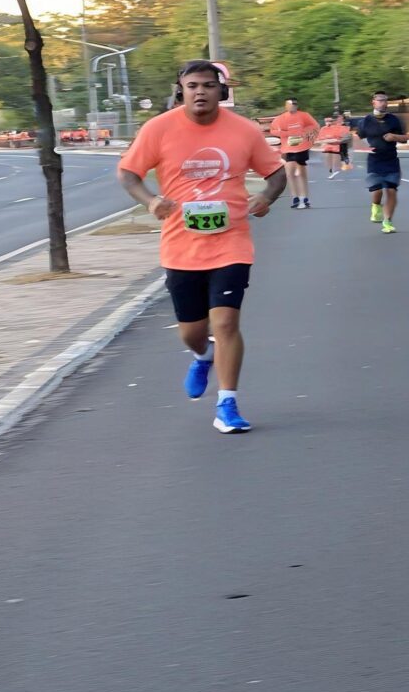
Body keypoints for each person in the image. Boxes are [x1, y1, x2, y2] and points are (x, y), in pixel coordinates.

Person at [114, 60, 287, 434]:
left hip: (231, 241)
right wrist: (150, 201)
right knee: (191, 333)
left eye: (208, 85)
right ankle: (203, 355)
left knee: (225, 322)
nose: (200, 92)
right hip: (181, 245)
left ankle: (227, 404)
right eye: (192, 86)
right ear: (181, 90)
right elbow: (128, 173)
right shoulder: (158, 128)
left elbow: (276, 173)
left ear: (221, 91)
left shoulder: (243, 130)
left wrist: (266, 197)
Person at [354, 91, 407, 234]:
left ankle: (387, 221)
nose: (383, 103)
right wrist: (362, 147)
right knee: (377, 190)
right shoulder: (365, 121)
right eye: (380, 100)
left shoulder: (394, 120)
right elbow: (357, 138)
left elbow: (404, 138)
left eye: (385, 100)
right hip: (374, 160)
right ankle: (376, 205)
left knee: (391, 190)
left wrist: (394, 137)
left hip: (391, 159)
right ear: (373, 102)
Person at [268, 99, 317, 210]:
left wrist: (305, 135)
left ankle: (304, 198)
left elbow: (314, 126)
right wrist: (286, 133)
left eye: (294, 104)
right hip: (288, 147)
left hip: (301, 146)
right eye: (290, 104)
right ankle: (295, 197)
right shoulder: (281, 118)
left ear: (297, 105)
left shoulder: (304, 116)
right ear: (286, 106)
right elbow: (273, 130)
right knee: (290, 173)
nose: (292, 106)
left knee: (300, 172)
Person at [320, 109, 350, 176]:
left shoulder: (339, 126)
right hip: (329, 145)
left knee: (342, 146)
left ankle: (344, 158)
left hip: (338, 144)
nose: (328, 122)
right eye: (326, 121)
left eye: (330, 121)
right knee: (329, 155)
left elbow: (343, 136)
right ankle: (332, 168)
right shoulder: (323, 129)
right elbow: (321, 139)